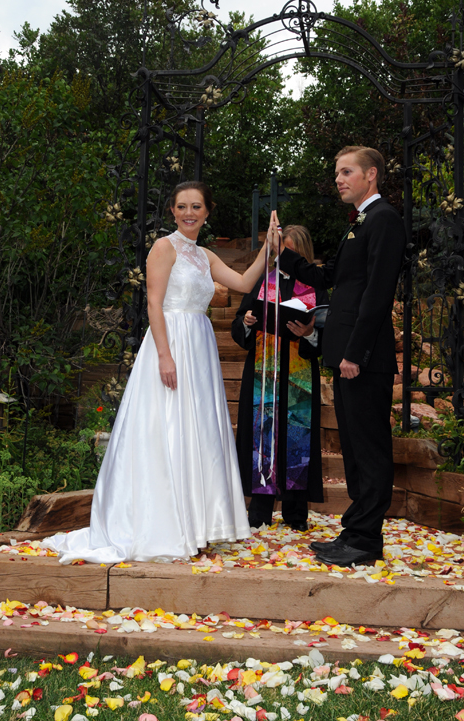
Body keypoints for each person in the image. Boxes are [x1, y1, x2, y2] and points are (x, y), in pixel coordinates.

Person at [43, 182, 279, 564]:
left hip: (199, 345)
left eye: (196, 206)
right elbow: (154, 303)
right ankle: (166, 524)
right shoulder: (163, 248)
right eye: (182, 206)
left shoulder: (205, 255)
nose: (189, 212)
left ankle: (197, 523)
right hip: (170, 342)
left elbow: (244, 283)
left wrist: (268, 245)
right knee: (166, 427)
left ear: (207, 211)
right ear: (172, 211)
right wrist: (164, 357)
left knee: (198, 429)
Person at [275, 147, 406, 567]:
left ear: (371, 175)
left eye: (346, 172)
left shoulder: (383, 219)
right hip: (348, 355)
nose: (338, 178)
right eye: (337, 172)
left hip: (363, 357)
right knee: (353, 448)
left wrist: (356, 353)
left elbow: (377, 294)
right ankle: (355, 533)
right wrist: (284, 254)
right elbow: (328, 278)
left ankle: (365, 541)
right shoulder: (358, 224)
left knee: (369, 449)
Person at [231, 225, 328, 531]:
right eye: (280, 251)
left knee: (295, 437)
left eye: (292, 252)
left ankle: (296, 514)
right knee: (262, 436)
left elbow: (327, 332)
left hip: (299, 374)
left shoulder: (316, 287)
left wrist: (310, 333)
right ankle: (258, 512)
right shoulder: (262, 281)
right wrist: (247, 321)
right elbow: (240, 323)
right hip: (263, 371)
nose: (284, 258)